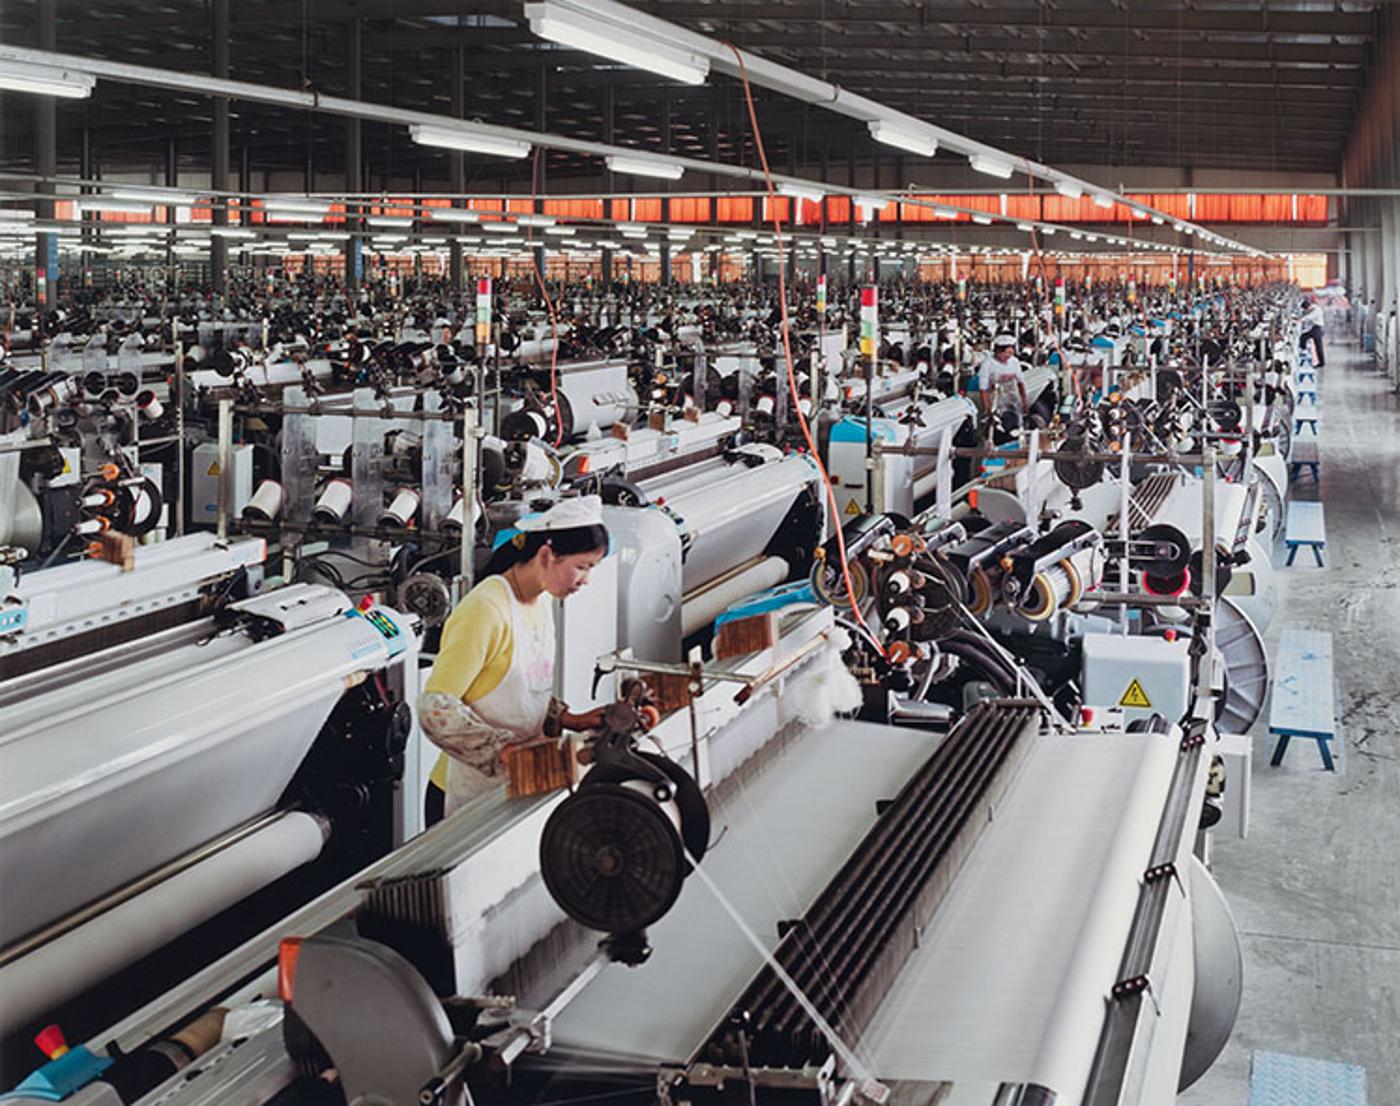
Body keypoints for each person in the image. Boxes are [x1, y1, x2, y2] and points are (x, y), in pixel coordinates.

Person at [418, 496, 609, 822]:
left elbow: (515, 689)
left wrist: (568, 719)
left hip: (515, 786)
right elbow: (435, 708)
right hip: (466, 795)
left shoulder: (541, 601)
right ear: (547, 556)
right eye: (582, 567)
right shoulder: (487, 608)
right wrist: (502, 752)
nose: (586, 580)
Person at [975, 333, 1029, 422]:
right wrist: (987, 408)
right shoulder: (988, 364)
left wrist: (1024, 401)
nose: (1008, 356)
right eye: (1006, 353)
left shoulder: (1014, 362)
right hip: (995, 399)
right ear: (998, 351)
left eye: (1011, 353)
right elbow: (983, 389)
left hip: (1012, 398)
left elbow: (1020, 382)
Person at [1299, 299, 1326, 369]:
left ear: (1308, 307)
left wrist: (1300, 320)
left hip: (1317, 328)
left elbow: (1310, 317)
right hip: (1314, 328)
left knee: (1305, 337)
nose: (1305, 311)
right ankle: (1321, 362)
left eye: (1305, 309)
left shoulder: (1316, 310)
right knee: (1305, 337)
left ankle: (1321, 363)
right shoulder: (1313, 308)